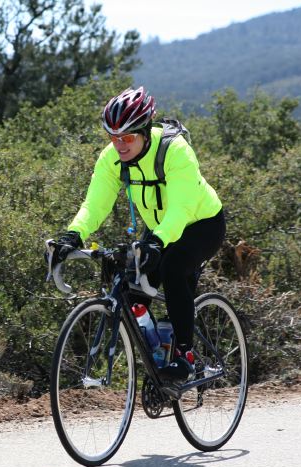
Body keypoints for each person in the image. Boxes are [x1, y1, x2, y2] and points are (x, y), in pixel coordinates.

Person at [52, 86, 226, 381]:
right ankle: (159, 353)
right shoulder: (112, 159)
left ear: (145, 131)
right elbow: (95, 204)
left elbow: (181, 208)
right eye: (113, 136)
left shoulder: (175, 150)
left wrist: (157, 243)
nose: (120, 144)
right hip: (159, 229)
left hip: (201, 224)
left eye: (128, 137)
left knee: (173, 268)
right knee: (133, 292)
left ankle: (185, 355)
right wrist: (73, 234)